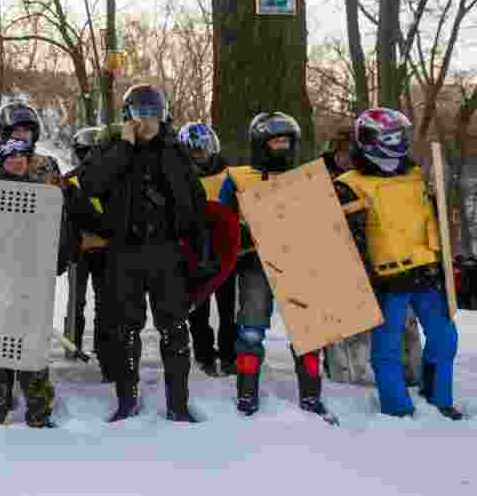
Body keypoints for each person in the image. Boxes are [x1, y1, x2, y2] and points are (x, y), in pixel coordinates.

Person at [80, 84, 208, 423]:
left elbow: (194, 206)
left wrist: (200, 255)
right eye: (141, 113)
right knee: (125, 328)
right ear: (128, 116)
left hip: (166, 252)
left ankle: (178, 404)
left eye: (154, 113)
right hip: (125, 251)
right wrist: (125, 145)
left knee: (175, 328)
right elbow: (92, 183)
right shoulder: (110, 147)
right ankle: (126, 400)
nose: (147, 120)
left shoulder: (175, 151)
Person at [334, 108, 463, 420]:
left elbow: (437, 219)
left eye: (399, 135)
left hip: (426, 271)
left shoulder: (416, 175)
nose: (397, 142)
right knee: (387, 348)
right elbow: (340, 240)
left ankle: (438, 396)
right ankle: (396, 407)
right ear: (369, 142)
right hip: (385, 280)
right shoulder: (349, 184)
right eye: (389, 137)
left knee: (445, 338)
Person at [218, 112, 334, 422]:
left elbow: (324, 225)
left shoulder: (306, 178)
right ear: (260, 143)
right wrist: (238, 233)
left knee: (309, 332)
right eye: (275, 141)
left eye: (286, 141)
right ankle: (247, 392)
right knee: (252, 331)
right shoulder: (237, 177)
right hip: (255, 266)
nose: (281, 147)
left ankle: (311, 394)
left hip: (298, 265)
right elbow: (220, 222)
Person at [0, 136, 69, 429]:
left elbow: (59, 230)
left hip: (32, 282)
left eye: (22, 156)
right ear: (2, 160)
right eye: (10, 156)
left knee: (32, 348)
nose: (17, 160)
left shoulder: (43, 192)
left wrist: (57, 259)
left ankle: (39, 412)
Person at [177, 122, 238, 377]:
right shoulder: (179, 178)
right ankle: (204, 355)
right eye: (194, 152)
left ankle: (229, 355)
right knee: (198, 310)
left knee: (228, 308)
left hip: (224, 251)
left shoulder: (230, 176)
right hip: (192, 253)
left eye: (202, 151)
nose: (199, 156)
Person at [62, 126, 110, 376]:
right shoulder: (68, 180)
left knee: (103, 302)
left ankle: (102, 348)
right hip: (79, 249)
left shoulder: (111, 179)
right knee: (76, 301)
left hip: (104, 249)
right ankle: (73, 344)